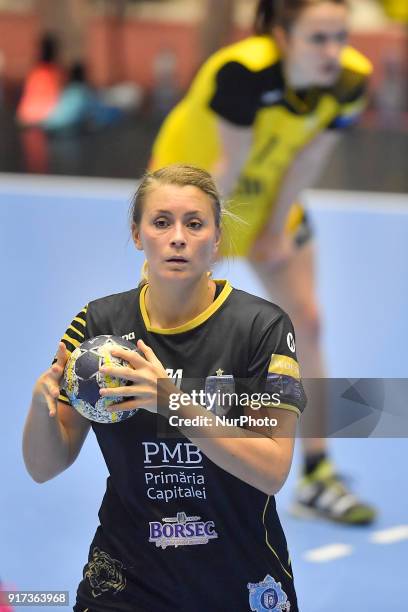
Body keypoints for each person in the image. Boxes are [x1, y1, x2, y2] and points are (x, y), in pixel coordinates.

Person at [23, 164, 305, 611]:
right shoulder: (98, 328)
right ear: (138, 235)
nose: (178, 237)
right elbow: (43, 466)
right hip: (125, 579)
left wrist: (172, 403)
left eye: (194, 224)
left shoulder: (261, 328)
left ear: (215, 240)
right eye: (161, 222)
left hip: (239, 579)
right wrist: (40, 411)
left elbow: (271, 470)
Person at [150, 0, 376, 525]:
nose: (333, 51)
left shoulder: (349, 82)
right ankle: (166, 475)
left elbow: (309, 157)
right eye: (318, 38)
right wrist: (185, 252)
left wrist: (275, 228)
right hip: (197, 199)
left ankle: (318, 475)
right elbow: (223, 171)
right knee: (173, 335)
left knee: (309, 323)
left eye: (340, 36)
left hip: (269, 196)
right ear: (281, 34)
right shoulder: (242, 73)